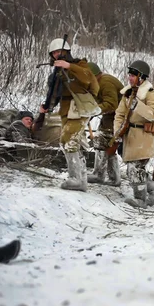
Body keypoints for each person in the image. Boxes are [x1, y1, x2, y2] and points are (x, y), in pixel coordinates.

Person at [39, 38, 100, 191]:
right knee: (69, 141)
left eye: (59, 52)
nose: (56, 55)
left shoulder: (79, 65)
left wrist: (69, 66)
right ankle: (81, 179)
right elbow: (53, 92)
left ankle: (75, 178)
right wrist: (47, 107)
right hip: (66, 109)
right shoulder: (57, 73)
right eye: (53, 53)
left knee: (68, 140)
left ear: (66, 52)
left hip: (79, 107)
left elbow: (87, 77)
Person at [114, 60, 154, 208]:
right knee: (134, 170)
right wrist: (117, 131)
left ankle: (140, 199)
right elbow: (120, 114)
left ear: (141, 77)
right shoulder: (128, 92)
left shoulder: (150, 93)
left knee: (135, 169)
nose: (129, 78)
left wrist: (137, 104)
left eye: (133, 75)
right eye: (129, 75)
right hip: (130, 136)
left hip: (144, 136)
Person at [86, 62, 124, 186]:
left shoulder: (106, 83)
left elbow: (111, 104)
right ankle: (112, 178)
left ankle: (101, 175)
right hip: (111, 117)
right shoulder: (99, 83)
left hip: (118, 118)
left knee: (103, 142)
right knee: (106, 144)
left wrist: (94, 110)